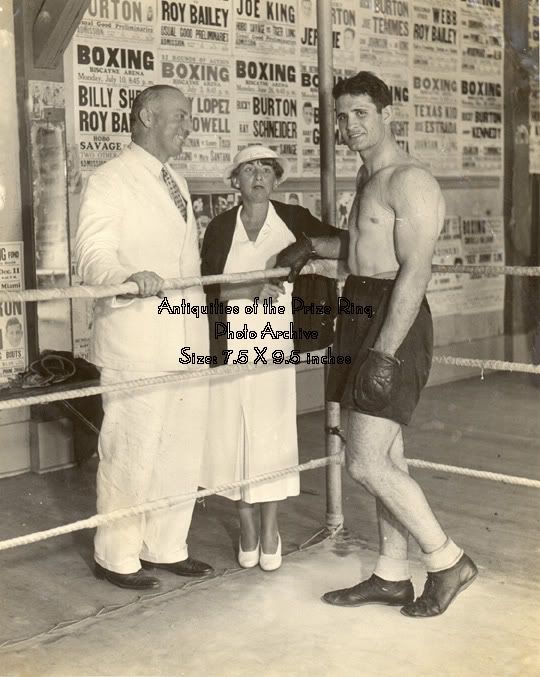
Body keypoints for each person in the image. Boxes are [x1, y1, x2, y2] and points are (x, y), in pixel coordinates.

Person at [276, 72, 477, 617]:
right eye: (342, 116)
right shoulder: (369, 179)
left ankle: (447, 560)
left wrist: (384, 352)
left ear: (386, 114)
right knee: (387, 456)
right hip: (360, 308)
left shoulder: (410, 181)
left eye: (361, 113)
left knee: (364, 462)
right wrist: (312, 250)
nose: (349, 125)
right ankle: (392, 574)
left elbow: (414, 271)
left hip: (394, 319)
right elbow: (363, 253)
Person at [76, 84, 213, 590]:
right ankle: (116, 556)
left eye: (189, 117)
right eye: (180, 116)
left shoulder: (176, 179)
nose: (188, 127)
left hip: (186, 338)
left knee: (180, 449)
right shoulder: (110, 179)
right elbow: (92, 254)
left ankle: (165, 546)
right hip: (137, 339)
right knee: (131, 452)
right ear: (146, 117)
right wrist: (127, 278)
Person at [200, 145, 339, 571]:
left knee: (271, 434)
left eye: (266, 169)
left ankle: (271, 529)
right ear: (235, 181)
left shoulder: (294, 219)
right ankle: (246, 528)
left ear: (277, 179)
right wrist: (252, 286)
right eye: (249, 169)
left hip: (274, 340)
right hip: (230, 339)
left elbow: (342, 243)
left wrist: (307, 253)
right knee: (232, 434)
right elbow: (207, 288)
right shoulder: (220, 227)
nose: (258, 176)